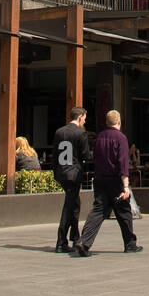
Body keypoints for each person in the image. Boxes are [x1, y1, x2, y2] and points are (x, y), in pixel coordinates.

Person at [75, 110, 142, 256]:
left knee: (98, 210)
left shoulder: (99, 137)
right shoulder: (121, 138)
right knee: (124, 211)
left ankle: (83, 241)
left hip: (100, 179)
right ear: (119, 122)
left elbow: (95, 158)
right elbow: (123, 162)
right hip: (115, 180)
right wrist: (125, 186)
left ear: (106, 122)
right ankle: (130, 244)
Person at [52, 106, 90, 252]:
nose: (84, 123)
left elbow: (55, 154)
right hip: (74, 173)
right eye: (84, 120)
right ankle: (61, 241)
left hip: (61, 172)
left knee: (74, 203)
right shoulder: (81, 133)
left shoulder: (59, 132)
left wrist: (56, 172)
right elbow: (86, 155)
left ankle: (75, 237)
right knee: (69, 207)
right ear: (80, 117)